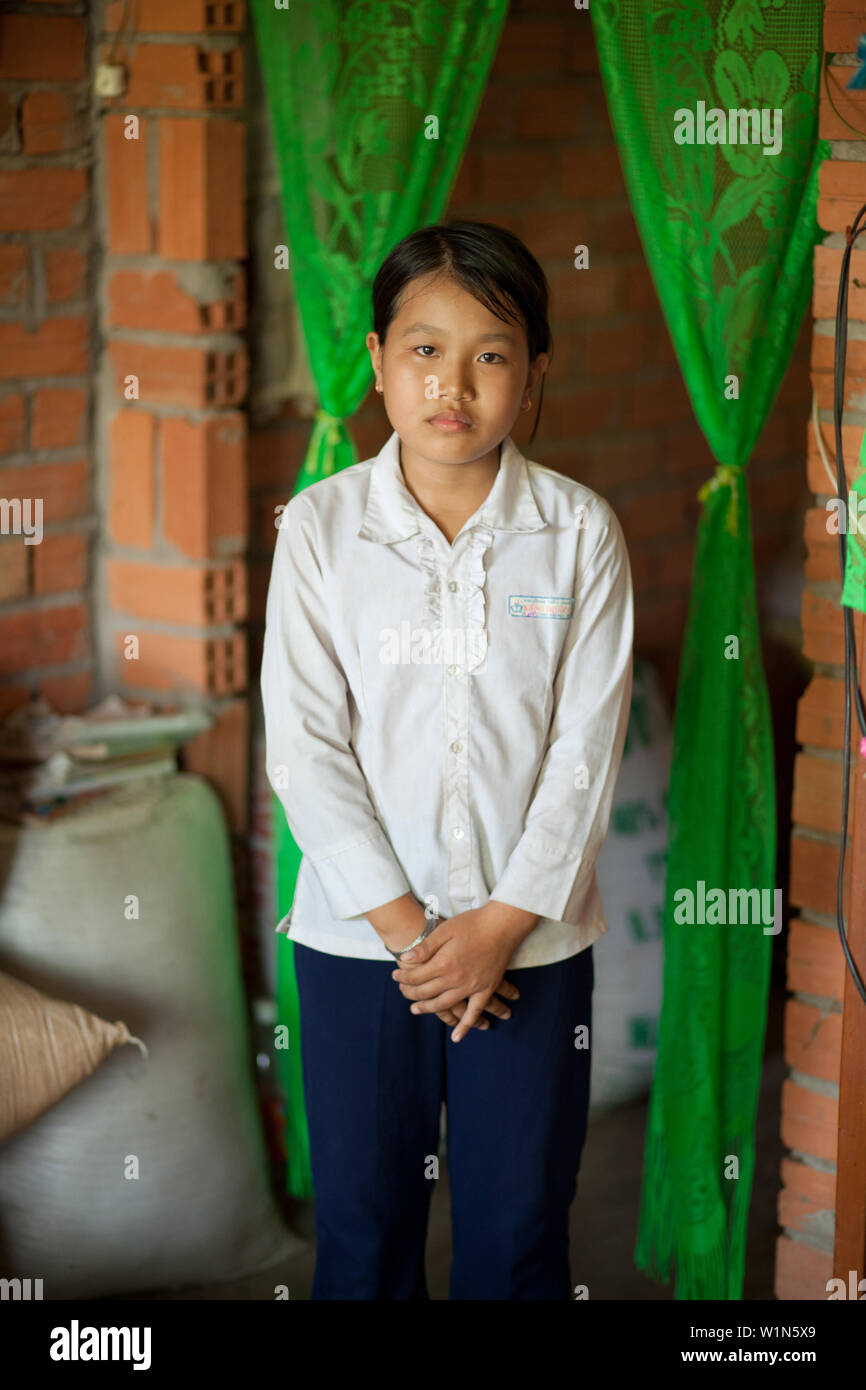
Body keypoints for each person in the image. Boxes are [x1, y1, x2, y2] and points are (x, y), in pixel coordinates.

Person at [260, 220, 634, 1300]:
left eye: (490, 353)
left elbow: (582, 750)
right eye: (423, 350)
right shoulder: (322, 530)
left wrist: (499, 926)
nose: (452, 387)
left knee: (518, 1235)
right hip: (357, 951)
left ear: (533, 372)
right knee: (365, 1238)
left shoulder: (575, 533)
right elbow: (305, 744)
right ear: (376, 361)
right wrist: (414, 937)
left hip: (532, 947)